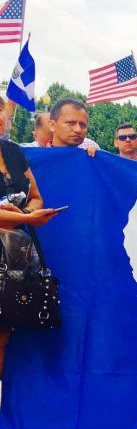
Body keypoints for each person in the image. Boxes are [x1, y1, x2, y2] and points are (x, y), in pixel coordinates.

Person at [0, 133, 58, 405]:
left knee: (5, 328)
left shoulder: (13, 151)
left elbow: (35, 196)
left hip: (15, 255)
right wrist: (24, 217)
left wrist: (27, 213)